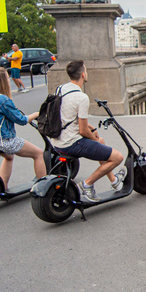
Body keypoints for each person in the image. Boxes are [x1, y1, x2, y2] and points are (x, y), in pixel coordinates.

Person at [50, 60, 125, 203]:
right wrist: (93, 138)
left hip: (57, 141)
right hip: (72, 143)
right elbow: (83, 130)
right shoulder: (82, 97)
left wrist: (93, 130)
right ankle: (87, 184)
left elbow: (69, 117)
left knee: (101, 142)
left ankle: (114, 181)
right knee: (117, 157)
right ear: (83, 74)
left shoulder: (60, 89)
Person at [0, 67, 45, 186]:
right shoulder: (3, 99)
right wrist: (36, 114)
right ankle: (44, 187)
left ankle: (3, 186)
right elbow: (21, 120)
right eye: (7, 78)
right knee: (38, 153)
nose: (9, 80)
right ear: (3, 81)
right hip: (4, 141)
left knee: (9, 157)